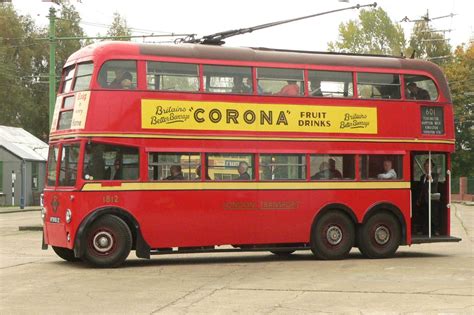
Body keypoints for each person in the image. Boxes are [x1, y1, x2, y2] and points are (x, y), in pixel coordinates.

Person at [415, 159, 440, 235]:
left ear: (431, 167)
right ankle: (423, 230)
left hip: (432, 198)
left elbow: (434, 182)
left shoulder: (435, 175)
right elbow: (421, 189)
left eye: (428, 166)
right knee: (424, 215)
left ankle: (436, 230)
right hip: (423, 199)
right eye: (425, 166)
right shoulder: (422, 177)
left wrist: (430, 178)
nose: (427, 167)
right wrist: (419, 199)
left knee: (433, 215)